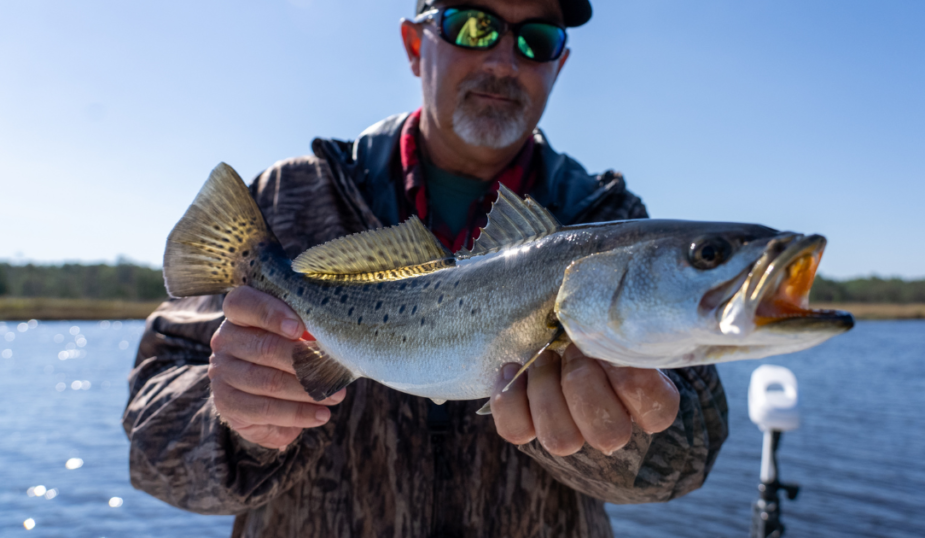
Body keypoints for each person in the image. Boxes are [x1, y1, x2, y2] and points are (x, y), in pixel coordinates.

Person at [123, 1, 729, 536]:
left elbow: (688, 454)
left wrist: (617, 437)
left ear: (559, 64)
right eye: (471, 25)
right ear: (417, 46)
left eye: (536, 39)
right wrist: (234, 419)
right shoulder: (283, 197)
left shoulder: (614, 221)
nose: (503, 59)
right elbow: (151, 442)